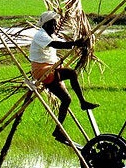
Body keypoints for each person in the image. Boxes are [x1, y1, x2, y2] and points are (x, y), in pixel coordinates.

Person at [29, 11, 99, 143]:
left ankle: (58, 130)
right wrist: (75, 43)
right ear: (46, 24)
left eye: (55, 25)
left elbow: (63, 43)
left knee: (66, 99)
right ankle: (83, 102)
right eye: (53, 24)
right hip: (42, 71)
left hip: (51, 69)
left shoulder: (51, 35)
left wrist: (78, 44)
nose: (55, 27)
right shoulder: (40, 35)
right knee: (72, 73)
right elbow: (55, 44)